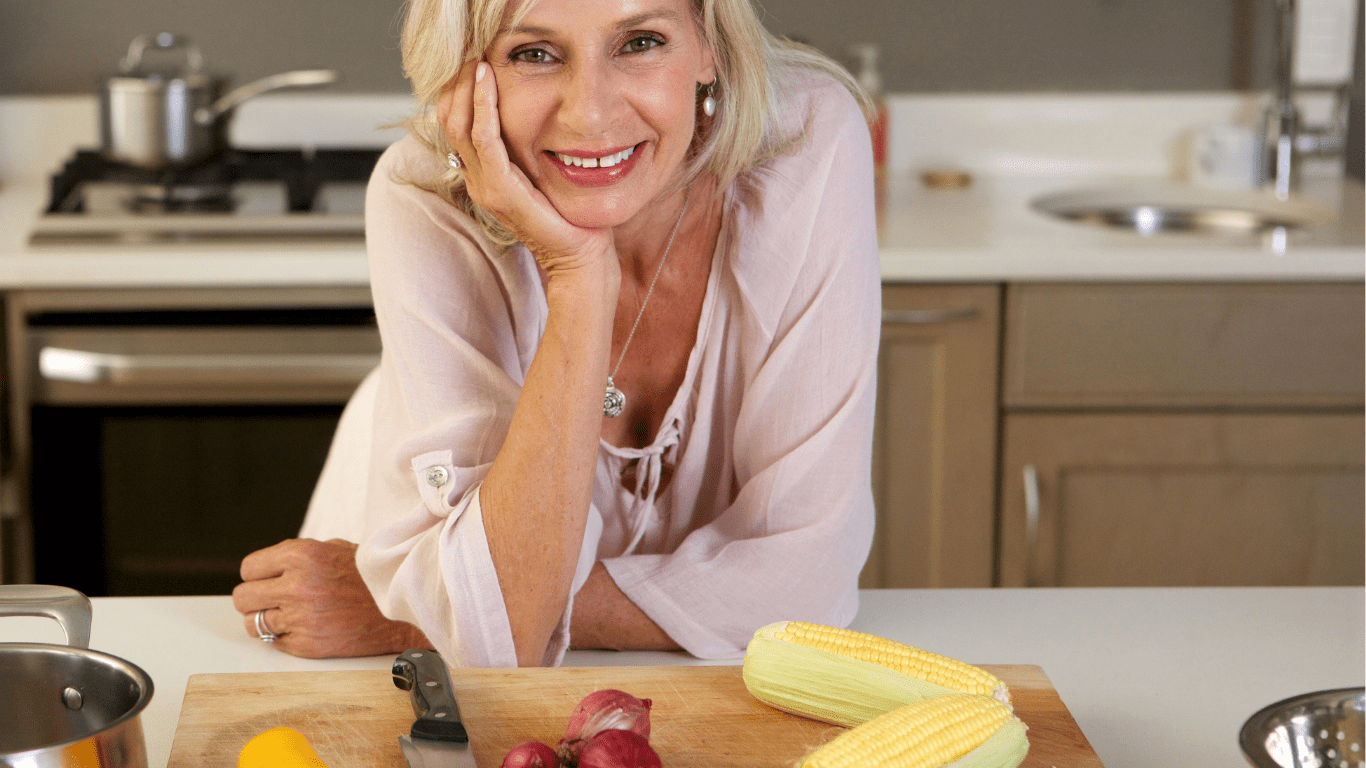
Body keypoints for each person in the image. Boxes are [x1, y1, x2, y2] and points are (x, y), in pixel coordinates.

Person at [232, 0, 882, 667]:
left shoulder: (806, 139)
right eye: (533, 53)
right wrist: (577, 271)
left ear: (709, 44)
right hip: (392, 660)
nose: (591, 115)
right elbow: (502, 643)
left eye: (640, 42)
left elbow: (810, 583)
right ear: (466, 76)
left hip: (379, 611)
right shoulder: (423, 191)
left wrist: (416, 613)